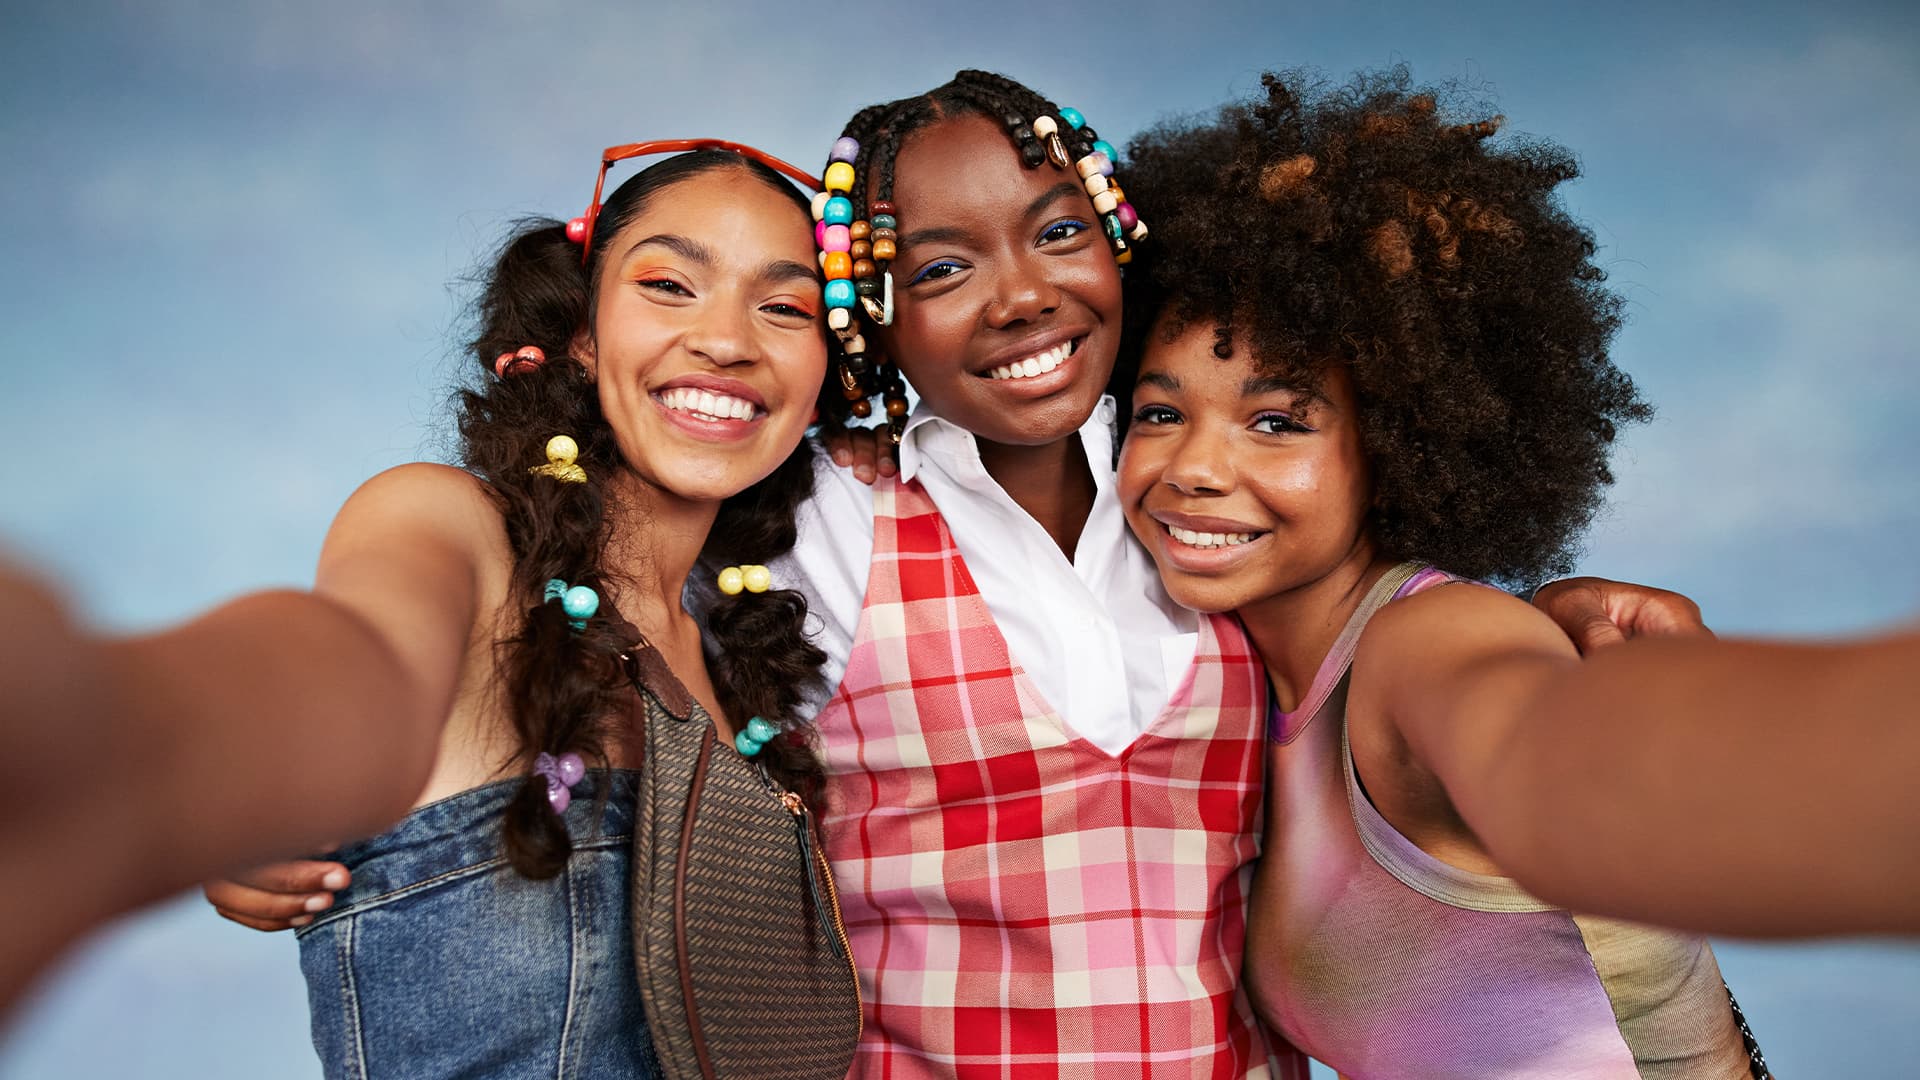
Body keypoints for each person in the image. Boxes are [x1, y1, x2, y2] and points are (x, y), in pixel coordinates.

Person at [206, 72, 1707, 1079]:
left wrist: (1539, 612)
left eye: (1060, 232)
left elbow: (1379, 635)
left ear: (1122, 252)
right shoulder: (815, 523)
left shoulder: (1196, 503)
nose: (1020, 294)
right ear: (877, 327)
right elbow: (524, 575)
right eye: (937, 267)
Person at [0, 143, 861, 1076]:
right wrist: (175, 760)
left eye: (785, 306)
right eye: (668, 285)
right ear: (581, 333)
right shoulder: (455, 530)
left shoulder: (749, 661)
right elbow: (349, 664)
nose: (729, 339)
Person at [1114, 67, 1784, 1077]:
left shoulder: (1433, 639)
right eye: (1160, 413)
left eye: (1276, 421)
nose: (1195, 468)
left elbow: (1530, 736)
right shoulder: (1242, 685)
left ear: (1394, 435)